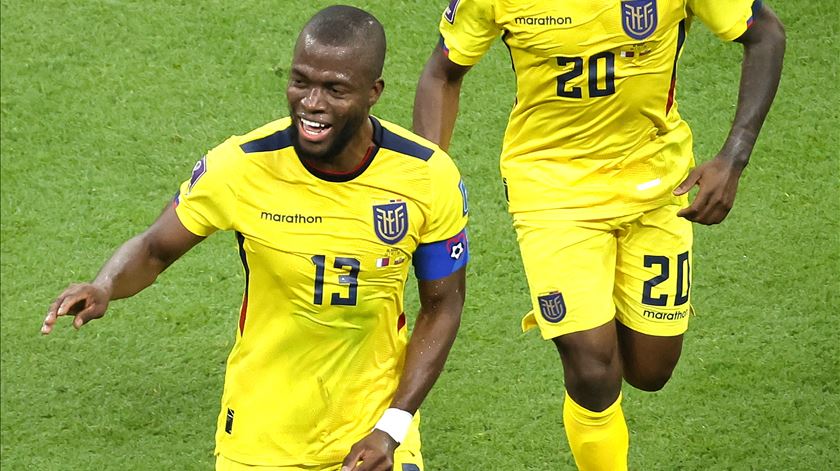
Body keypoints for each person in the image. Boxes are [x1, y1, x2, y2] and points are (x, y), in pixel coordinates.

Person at [42, 6, 470, 471]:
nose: (311, 102)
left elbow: (442, 304)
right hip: (260, 435)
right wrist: (104, 285)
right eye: (301, 81)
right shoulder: (242, 167)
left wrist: (392, 427)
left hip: (373, 425)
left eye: (335, 89)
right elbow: (152, 249)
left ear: (374, 93)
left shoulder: (427, 177)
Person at [414, 0, 784, 469]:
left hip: (656, 183)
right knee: (592, 365)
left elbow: (765, 31)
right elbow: (442, 72)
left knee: (651, 369)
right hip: (551, 188)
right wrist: (424, 186)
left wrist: (734, 157)